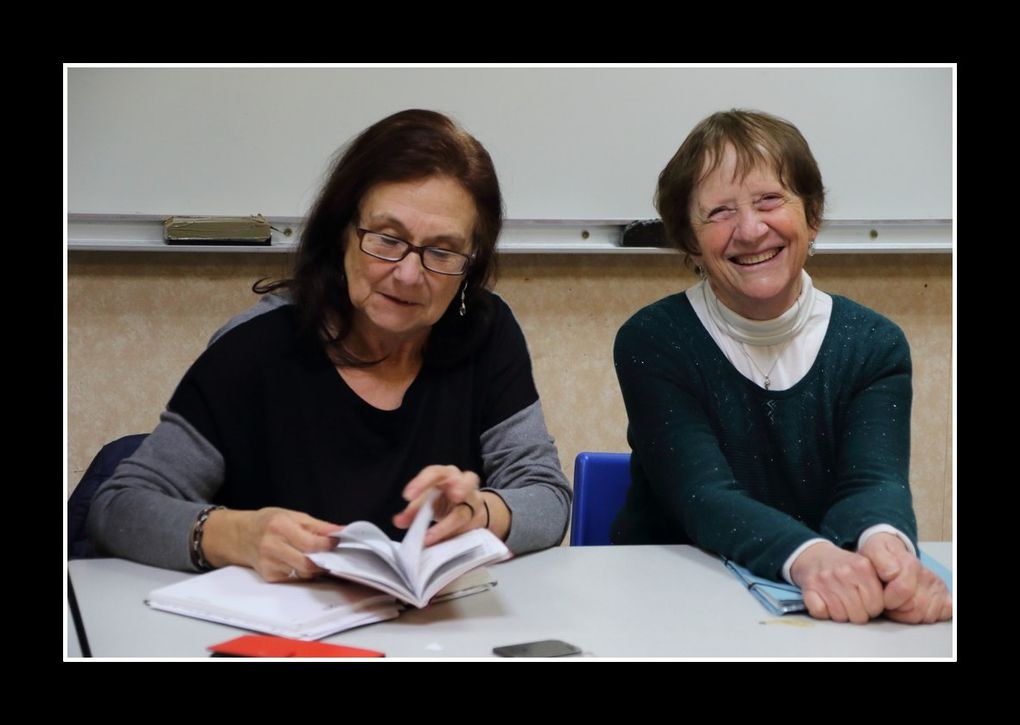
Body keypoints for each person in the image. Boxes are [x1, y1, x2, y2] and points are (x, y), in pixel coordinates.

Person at [88, 109, 571, 582]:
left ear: (472, 261)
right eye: (387, 239)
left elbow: (548, 498)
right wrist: (236, 535)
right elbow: (119, 508)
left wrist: (479, 512)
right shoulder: (257, 347)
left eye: (441, 252)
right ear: (342, 231)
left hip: (431, 633)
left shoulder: (485, 330)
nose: (408, 273)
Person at [612, 110, 951, 625]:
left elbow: (872, 485)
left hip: (823, 616)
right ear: (691, 243)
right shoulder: (653, 341)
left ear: (812, 216)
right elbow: (705, 497)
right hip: (674, 608)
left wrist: (888, 552)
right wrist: (814, 562)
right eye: (719, 212)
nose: (750, 230)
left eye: (770, 200)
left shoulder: (874, 345)